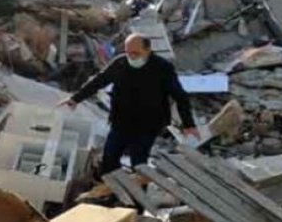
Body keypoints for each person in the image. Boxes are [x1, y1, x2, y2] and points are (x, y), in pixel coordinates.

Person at [59, 34, 200, 176]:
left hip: (147, 124)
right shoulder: (120, 63)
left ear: (148, 50)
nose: (131, 57)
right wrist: (75, 99)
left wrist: (188, 124)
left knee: (138, 163)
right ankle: (109, 192)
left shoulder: (163, 68)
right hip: (120, 121)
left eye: (135, 53)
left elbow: (180, 96)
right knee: (109, 159)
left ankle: (137, 195)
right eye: (128, 52)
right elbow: (99, 81)